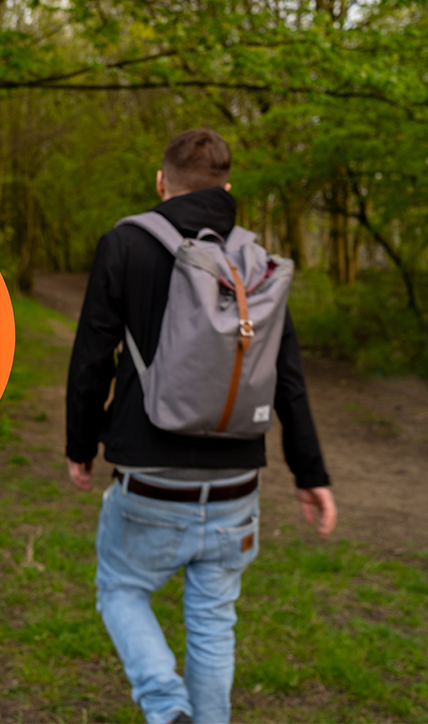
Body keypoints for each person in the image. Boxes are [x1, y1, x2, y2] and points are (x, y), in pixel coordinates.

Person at [65, 128, 337, 724]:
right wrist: (311, 473)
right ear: (228, 189)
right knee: (214, 621)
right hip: (238, 483)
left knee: (121, 589)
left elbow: (92, 360)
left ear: (161, 183)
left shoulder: (126, 243)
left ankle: (166, 706)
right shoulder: (256, 260)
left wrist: (80, 447)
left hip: (149, 479)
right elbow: (286, 376)